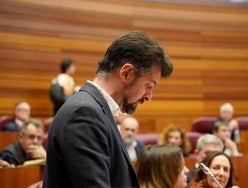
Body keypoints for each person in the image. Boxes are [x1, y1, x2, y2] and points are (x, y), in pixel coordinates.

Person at [43, 31, 173, 188]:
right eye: (149, 86)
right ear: (126, 73)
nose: (149, 97)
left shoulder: (96, 110)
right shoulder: (84, 114)